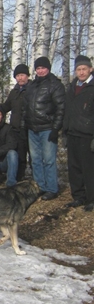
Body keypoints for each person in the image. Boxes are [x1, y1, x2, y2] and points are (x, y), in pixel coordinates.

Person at [23, 56, 66, 201]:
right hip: (32, 129)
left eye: (43, 68)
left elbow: (61, 108)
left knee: (48, 160)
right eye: (38, 68)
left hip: (47, 128)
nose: (40, 71)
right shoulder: (32, 85)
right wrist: (25, 125)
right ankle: (40, 186)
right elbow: (26, 107)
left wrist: (55, 129)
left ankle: (52, 188)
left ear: (48, 68)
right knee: (35, 160)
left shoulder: (55, 85)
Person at [63, 55, 94, 211]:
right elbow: (67, 111)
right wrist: (64, 130)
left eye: (84, 69)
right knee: (74, 167)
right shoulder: (72, 87)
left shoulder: (92, 87)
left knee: (88, 168)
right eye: (78, 69)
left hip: (87, 134)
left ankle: (91, 199)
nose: (81, 72)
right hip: (72, 132)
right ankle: (78, 197)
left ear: (90, 69)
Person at [0, 64, 31, 181]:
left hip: (31, 128)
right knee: (20, 155)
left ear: (27, 76)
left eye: (22, 75)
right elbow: (6, 106)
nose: (20, 78)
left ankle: (38, 181)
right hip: (16, 128)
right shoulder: (14, 92)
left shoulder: (32, 89)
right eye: (17, 76)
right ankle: (19, 178)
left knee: (34, 156)